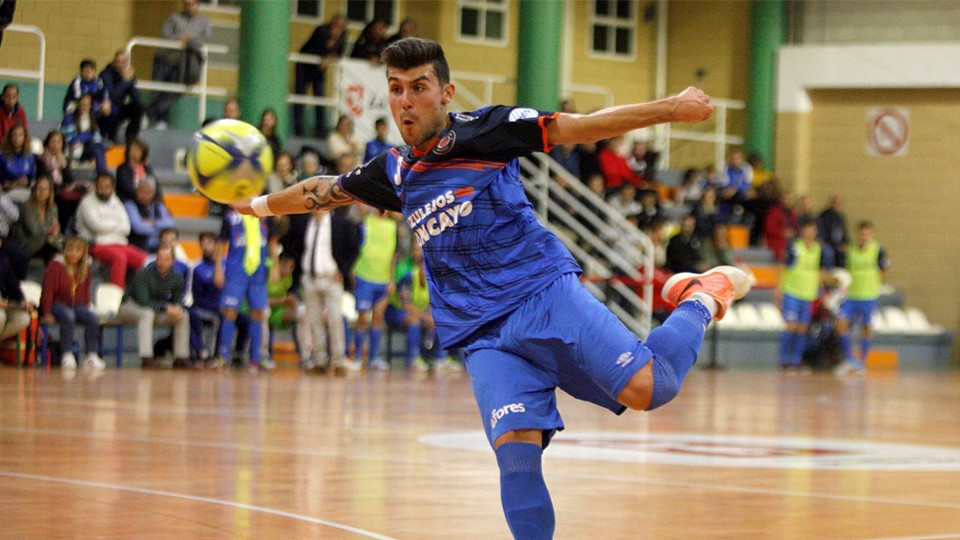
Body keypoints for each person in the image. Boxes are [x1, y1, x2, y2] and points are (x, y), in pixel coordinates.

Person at [233, 37, 751, 539]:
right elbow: (322, 190)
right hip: (480, 333)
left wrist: (671, 107)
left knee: (651, 388)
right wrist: (256, 206)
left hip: (541, 294)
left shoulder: (489, 130)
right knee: (517, 458)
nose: (405, 101)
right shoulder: (392, 171)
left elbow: (579, 127)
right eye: (395, 88)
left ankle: (703, 294)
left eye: (418, 87)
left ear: (446, 93)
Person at [212, 208, 274, 372]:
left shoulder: (265, 214)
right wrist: (218, 268)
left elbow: (273, 241)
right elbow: (221, 243)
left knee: (258, 313)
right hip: (236, 272)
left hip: (258, 273)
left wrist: (274, 267)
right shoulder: (231, 218)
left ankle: (255, 359)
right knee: (230, 312)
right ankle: (223, 357)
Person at [299, 206, 358, 374]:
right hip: (310, 277)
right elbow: (296, 246)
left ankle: (339, 360)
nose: (317, 208)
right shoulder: (305, 223)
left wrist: (343, 270)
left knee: (335, 319)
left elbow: (353, 248)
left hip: (332, 278)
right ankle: (319, 360)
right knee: (314, 320)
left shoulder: (339, 224)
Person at [117, 243, 190, 369]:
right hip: (130, 306)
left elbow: (178, 298)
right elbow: (143, 301)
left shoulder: (177, 277)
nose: (162, 262)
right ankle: (147, 357)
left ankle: (181, 357)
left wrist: (177, 307)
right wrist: (166, 308)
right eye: (159, 259)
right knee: (147, 314)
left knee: (183, 316)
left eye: (166, 259)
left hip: (156, 309)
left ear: (173, 261)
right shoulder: (143, 274)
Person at [834, 221, 890, 376]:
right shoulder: (851, 250)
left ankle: (862, 363)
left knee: (867, 328)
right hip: (851, 295)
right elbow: (845, 271)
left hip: (868, 295)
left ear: (872, 234)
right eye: (862, 233)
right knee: (841, 324)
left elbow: (885, 269)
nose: (864, 236)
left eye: (867, 233)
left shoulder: (878, 250)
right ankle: (850, 359)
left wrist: (876, 285)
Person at [146, 0, 212, 130]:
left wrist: (189, 41)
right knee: (158, 91)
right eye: (186, 4)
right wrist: (178, 40)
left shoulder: (205, 21)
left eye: (192, 4)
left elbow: (205, 38)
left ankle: (147, 114)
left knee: (175, 92)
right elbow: (164, 35)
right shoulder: (174, 18)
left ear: (198, 5)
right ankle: (161, 120)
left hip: (185, 63)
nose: (189, 7)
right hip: (165, 58)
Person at [39, 236, 103, 370]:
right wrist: (46, 312)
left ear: (83, 253)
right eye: (70, 249)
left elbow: (86, 291)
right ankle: (66, 353)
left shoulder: (86, 267)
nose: (73, 253)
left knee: (92, 318)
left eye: (78, 250)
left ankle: (91, 355)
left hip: (77, 304)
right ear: (65, 250)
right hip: (57, 304)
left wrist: (86, 308)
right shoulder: (56, 265)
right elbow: (48, 290)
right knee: (68, 316)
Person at [777, 218, 833, 370]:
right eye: (807, 229)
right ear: (802, 231)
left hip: (808, 294)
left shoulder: (819, 250)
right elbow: (783, 266)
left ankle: (796, 360)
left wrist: (821, 291)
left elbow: (821, 272)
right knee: (791, 326)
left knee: (802, 328)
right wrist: (779, 288)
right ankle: (783, 360)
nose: (810, 233)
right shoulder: (795, 247)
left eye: (813, 230)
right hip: (792, 291)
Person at [75, 172, 147, 288]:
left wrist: (107, 226)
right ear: (95, 186)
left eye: (106, 187)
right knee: (120, 258)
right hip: (95, 245)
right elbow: (96, 226)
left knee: (145, 260)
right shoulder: (87, 202)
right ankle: (116, 295)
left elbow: (127, 228)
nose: (103, 190)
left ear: (112, 187)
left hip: (119, 244)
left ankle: (141, 294)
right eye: (100, 186)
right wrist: (116, 224)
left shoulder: (116, 201)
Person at [350, 206, 398, 370]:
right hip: (364, 277)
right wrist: (353, 273)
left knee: (378, 317)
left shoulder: (393, 228)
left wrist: (391, 280)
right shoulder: (365, 223)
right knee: (362, 318)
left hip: (383, 279)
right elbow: (355, 249)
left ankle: (374, 357)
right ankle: (356, 357)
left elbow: (393, 256)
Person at [294, 13, 347, 137]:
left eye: (341, 26)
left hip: (320, 70)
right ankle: (298, 130)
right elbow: (317, 48)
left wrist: (330, 58)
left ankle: (320, 130)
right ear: (331, 24)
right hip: (305, 66)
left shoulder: (343, 36)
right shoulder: (321, 31)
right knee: (300, 97)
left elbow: (340, 53)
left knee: (320, 97)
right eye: (337, 25)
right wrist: (330, 43)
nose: (338, 28)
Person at [11, 176, 62, 265]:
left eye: (45, 189)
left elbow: (55, 228)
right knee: (50, 249)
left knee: (58, 249)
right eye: (39, 188)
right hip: (28, 244)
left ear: (50, 192)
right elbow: (33, 231)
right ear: (34, 190)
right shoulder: (26, 206)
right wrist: (50, 231)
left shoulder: (53, 207)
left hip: (45, 242)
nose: (42, 192)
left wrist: (53, 232)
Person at [188, 232, 221, 365]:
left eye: (209, 243)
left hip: (223, 306)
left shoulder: (225, 265)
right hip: (204, 307)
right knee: (218, 317)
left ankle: (238, 354)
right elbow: (197, 297)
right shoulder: (197, 267)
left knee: (245, 320)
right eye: (203, 244)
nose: (205, 247)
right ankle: (208, 354)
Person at [99, 49, 144, 144]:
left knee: (138, 108)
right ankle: (111, 138)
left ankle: (131, 139)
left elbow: (136, 97)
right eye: (118, 62)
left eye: (123, 62)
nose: (120, 65)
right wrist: (124, 81)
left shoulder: (127, 75)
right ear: (114, 62)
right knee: (112, 111)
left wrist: (131, 81)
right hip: (107, 109)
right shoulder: (105, 74)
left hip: (119, 108)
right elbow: (112, 97)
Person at [124, 177, 175, 253]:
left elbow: (171, 223)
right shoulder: (130, 204)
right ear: (137, 191)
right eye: (142, 192)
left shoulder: (158, 205)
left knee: (173, 244)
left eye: (148, 192)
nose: (145, 195)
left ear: (153, 193)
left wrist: (154, 223)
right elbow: (138, 228)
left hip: (158, 244)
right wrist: (159, 227)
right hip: (139, 245)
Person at [60, 94, 107, 174]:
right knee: (96, 147)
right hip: (73, 150)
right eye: (82, 105)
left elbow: (97, 137)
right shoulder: (69, 119)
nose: (85, 107)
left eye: (87, 105)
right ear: (78, 105)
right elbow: (70, 139)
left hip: (86, 149)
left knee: (98, 148)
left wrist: (85, 137)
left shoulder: (92, 119)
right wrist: (88, 135)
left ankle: (102, 175)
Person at [0, 238, 31, 347]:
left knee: (24, 319)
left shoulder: (3, 260)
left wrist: (22, 300)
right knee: (0, 316)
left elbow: (12, 283)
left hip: (4, 301)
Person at [115, 138, 158, 203]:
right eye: (133, 148)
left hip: (148, 200)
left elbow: (155, 184)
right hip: (130, 200)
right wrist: (141, 196)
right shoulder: (122, 169)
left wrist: (153, 196)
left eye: (138, 149)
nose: (134, 151)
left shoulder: (147, 168)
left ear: (143, 152)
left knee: (160, 207)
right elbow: (128, 188)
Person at [0, 122, 35, 193]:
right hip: (6, 191)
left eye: (20, 135)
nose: (17, 138)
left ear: (25, 137)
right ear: (10, 137)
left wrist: (27, 182)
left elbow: (32, 178)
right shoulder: (2, 157)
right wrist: (9, 183)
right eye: (14, 135)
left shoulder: (30, 157)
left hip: (25, 190)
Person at [817, 193, 847, 268]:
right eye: (835, 202)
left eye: (839, 203)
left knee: (847, 252)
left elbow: (845, 233)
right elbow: (821, 231)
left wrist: (845, 243)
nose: (837, 205)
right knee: (828, 253)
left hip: (838, 244)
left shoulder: (841, 217)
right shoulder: (824, 215)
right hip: (827, 243)